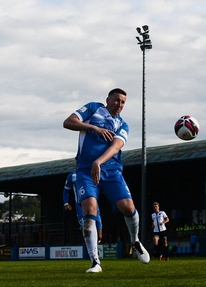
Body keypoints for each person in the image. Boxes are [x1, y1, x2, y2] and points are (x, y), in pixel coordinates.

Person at [63, 88, 149, 273]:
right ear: (108, 100)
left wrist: (99, 162)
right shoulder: (93, 109)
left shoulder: (122, 125)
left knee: (128, 207)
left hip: (111, 171)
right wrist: (94, 127)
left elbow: (117, 146)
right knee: (89, 207)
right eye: (117, 100)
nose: (120, 104)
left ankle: (135, 240)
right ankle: (95, 262)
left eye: (123, 102)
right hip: (85, 170)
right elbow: (68, 122)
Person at [63, 171, 103, 244]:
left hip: (93, 204)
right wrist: (66, 203)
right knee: (87, 229)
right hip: (80, 207)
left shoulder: (90, 172)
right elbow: (66, 190)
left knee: (99, 235)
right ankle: (93, 253)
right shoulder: (72, 176)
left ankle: (95, 247)